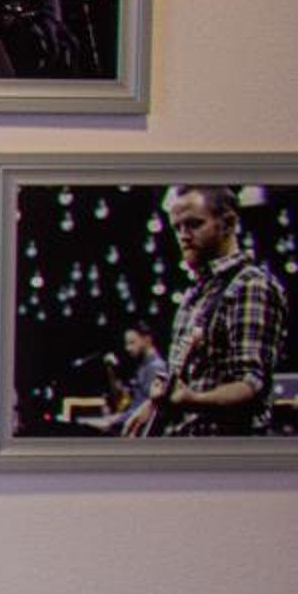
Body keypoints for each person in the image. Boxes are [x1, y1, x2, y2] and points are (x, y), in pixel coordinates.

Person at [122, 185, 288, 437]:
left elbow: (251, 385)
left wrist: (193, 400)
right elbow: (183, 377)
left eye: (194, 224)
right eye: (177, 227)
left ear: (228, 223)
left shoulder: (251, 285)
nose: (183, 236)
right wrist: (155, 405)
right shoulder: (194, 293)